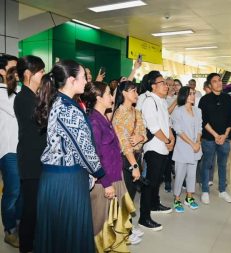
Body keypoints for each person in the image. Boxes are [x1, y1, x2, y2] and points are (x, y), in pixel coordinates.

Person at [34, 60, 105, 253]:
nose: (86, 81)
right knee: (70, 236)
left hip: (56, 178)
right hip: (67, 180)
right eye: (83, 77)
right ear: (72, 80)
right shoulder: (68, 108)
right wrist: (99, 171)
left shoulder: (59, 102)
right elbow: (83, 149)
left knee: (58, 236)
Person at [83, 81, 137, 251]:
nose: (112, 97)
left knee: (113, 220)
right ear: (98, 98)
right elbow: (95, 157)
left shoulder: (103, 117)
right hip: (104, 182)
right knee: (100, 224)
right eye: (108, 93)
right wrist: (106, 184)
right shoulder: (94, 122)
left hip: (114, 175)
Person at [12, 55, 46, 253]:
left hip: (37, 159)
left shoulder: (33, 96)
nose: (42, 74)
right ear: (28, 74)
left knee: (37, 208)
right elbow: (40, 125)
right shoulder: (24, 98)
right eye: (40, 71)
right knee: (31, 209)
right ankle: (26, 247)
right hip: (31, 160)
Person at [139, 70, 174, 231]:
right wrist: (167, 140)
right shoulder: (149, 101)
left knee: (157, 180)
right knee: (149, 183)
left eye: (166, 83)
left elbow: (167, 123)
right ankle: (144, 217)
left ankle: (154, 204)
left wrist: (171, 138)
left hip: (164, 147)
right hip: (153, 148)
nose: (166, 86)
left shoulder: (162, 101)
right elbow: (153, 127)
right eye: (162, 83)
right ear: (153, 86)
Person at [112, 80, 147, 243]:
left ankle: (128, 225)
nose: (136, 94)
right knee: (124, 196)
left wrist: (140, 137)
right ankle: (123, 232)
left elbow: (143, 133)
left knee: (131, 194)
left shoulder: (136, 112)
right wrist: (134, 166)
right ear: (124, 93)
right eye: (133, 91)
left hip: (137, 156)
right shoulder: (118, 115)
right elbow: (124, 145)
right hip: (126, 160)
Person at [199, 73, 231, 204]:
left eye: (220, 80)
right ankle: (205, 191)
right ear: (209, 85)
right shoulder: (205, 100)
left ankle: (222, 191)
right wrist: (215, 135)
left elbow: (230, 120)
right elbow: (204, 121)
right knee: (207, 164)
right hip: (209, 138)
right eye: (215, 81)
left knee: (222, 164)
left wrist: (224, 135)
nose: (219, 83)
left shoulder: (228, 99)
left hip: (225, 138)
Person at [0, 55, 20, 248]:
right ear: (2, 71)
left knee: (21, 190)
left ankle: (20, 224)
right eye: (13, 68)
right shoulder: (1, 92)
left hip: (22, 150)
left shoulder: (18, 91)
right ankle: (10, 229)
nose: (18, 72)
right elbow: (19, 111)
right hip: (8, 151)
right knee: (12, 191)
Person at [171, 86, 202, 213]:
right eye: (190, 94)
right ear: (184, 95)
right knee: (179, 175)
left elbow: (200, 127)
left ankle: (189, 197)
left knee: (192, 175)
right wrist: (192, 143)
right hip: (183, 148)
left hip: (195, 148)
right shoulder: (178, 111)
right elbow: (179, 131)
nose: (193, 96)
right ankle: (177, 199)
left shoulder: (198, 110)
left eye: (194, 93)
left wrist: (198, 142)